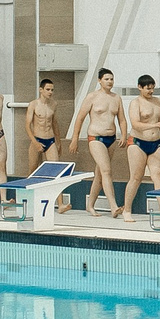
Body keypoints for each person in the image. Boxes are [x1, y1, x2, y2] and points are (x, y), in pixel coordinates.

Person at [65, 68, 122, 216]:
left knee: (100, 174)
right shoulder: (92, 97)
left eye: (111, 79)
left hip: (111, 139)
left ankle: (90, 205)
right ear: (99, 80)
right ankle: (113, 206)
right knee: (106, 171)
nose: (109, 82)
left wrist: (124, 135)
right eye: (106, 79)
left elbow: (122, 119)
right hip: (95, 138)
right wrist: (75, 139)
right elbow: (80, 118)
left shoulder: (116, 98)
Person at [119, 73, 160, 218]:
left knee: (158, 176)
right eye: (148, 88)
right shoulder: (136, 103)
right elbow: (135, 124)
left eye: (152, 88)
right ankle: (127, 210)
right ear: (140, 87)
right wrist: (154, 125)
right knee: (136, 177)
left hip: (156, 143)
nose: (151, 91)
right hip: (137, 143)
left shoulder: (158, 102)